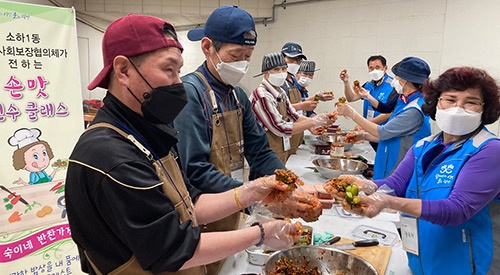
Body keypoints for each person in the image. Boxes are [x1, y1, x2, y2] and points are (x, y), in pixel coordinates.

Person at [65, 14, 302, 275]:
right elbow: (171, 249)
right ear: (123, 71)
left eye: (179, 70)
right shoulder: (110, 155)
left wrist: (255, 192)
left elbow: (192, 203)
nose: (179, 82)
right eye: (168, 70)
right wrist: (260, 233)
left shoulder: (147, 131)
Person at [340, 66, 500, 275]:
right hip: (421, 261)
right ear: (437, 103)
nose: (458, 108)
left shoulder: (489, 150)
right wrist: (364, 185)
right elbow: (395, 185)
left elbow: (456, 210)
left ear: (484, 109)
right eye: (450, 100)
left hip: (467, 266)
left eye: (471, 102)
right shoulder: (424, 146)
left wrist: (388, 202)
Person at [174, 6, 285, 194]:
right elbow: (195, 170)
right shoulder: (190, 93)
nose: (242, 64)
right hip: (206, 207)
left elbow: (260, 151)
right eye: (235, 56)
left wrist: (289, 182)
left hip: (234, 197)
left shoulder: (238, 96)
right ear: (207, 47)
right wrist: (250, 194)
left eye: (248, 56)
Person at [337, 57, 431, 179]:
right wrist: (364, 136)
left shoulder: (414, 110)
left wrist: (352, 114)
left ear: (406, 80)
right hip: (388, 160)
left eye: (397, 77)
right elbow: (394, 135)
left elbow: (383, 132)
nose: (395, 80)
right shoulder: (404, 101)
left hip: (399, 170)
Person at [249, 52, 334, 164]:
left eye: (284, 69)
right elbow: (280, 128)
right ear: (266, 73)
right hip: (264, 152)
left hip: (280, 148)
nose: (281, 73)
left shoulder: (280, 92)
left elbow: (295, 116)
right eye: (276, 69)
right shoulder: (262, 95)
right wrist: (313, 122)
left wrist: (320, 121)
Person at [280, 42, 333, 153]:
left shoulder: (293, 81)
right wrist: (304, 107)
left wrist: (317, 121)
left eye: (298, 60)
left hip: (297, 133)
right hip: (284, 135)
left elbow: (300, 110)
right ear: (282, 58)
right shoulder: (280, 83)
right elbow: (280, 108)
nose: (294, 63)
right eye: (291, 59)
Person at [339, 55, 397, 150]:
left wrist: (365, 124)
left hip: (383, 133)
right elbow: (351, 98)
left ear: (385, 68)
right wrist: (346, 83)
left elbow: (388, 113)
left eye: (377, 67)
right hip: (369, 132)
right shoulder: (368, 85)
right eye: (371, 68)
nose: (374, 70)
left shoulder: (392, 86)